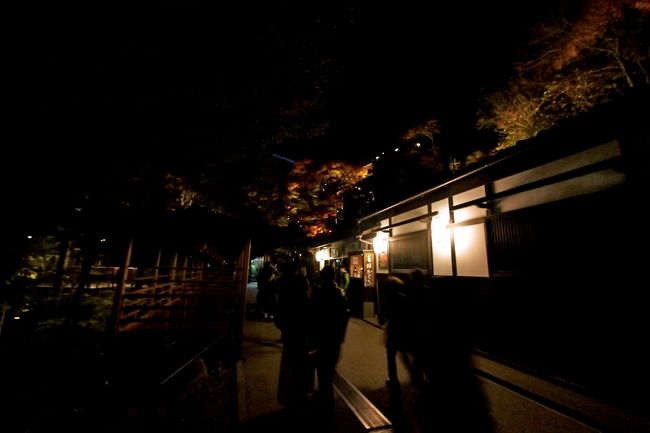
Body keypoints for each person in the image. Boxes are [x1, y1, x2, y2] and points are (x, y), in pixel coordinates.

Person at [274, 262, 315, 416]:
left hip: (290, 334)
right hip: (303, 335)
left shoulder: (285, 287)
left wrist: (285, 327)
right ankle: (303, 396)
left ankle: (289, 397)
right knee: (304, 366)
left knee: (289, 367)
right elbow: (311, 311)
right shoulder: (303, 284)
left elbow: (278, 317)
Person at [310, 265, 349, 419]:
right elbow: (345, 316)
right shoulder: (340, 293)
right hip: (335, 338)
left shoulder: (318, 293)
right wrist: (341, 334)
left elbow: (313, 315)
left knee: (322, 370)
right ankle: (327, 401)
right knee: (329, 369)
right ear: (333, 277)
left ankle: (326, 402)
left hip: (321, 337)